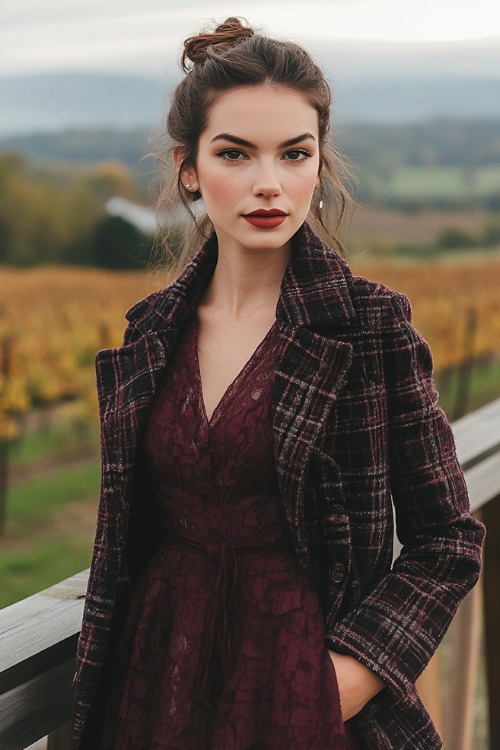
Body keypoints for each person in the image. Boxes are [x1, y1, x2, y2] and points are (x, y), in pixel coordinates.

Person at [71, 17, 485, 750]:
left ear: (319, 166)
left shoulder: (369, 329)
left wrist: (352, 674)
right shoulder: (150, 335)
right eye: (235, 153)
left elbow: (448, 538)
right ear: (188, 167)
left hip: (303, 691)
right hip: (155, 680)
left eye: (295, 154)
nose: (270, 184)